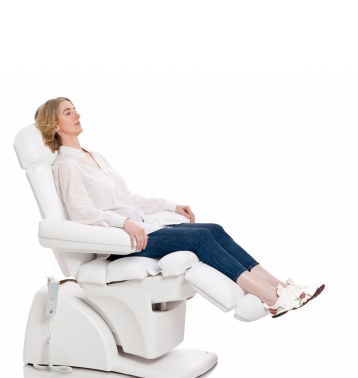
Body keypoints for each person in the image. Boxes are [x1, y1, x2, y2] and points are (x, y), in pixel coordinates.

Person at [34, 97, 325, 318]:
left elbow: (128, 198)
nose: (77, 114)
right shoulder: (66, 165)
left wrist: (171, 205)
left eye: (75, 109)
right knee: (200, 239)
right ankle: (272, 299)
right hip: (122, 241)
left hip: (143, 228)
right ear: (55, 126)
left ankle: (281, 287)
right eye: (68, 112)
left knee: (214, 229)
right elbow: (81, 212)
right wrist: (123, 224)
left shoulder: (94, 155)